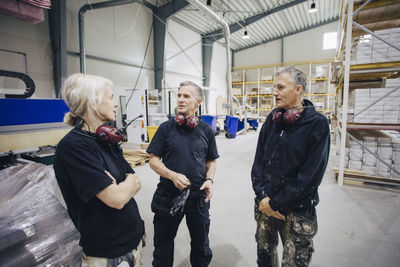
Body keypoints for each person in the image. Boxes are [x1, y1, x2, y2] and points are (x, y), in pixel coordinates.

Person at [53, 73, 145, 267]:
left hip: (131, 242)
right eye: (110, 97)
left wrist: (123, 186)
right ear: (93, 101)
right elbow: (117, 199)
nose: (116, 104)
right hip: (107, 253)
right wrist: (123, 188)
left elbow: (135, 180)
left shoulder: (105, 140)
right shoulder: (74, 147)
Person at [251, 66, 330, 267]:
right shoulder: (272, 119)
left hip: (296, 211)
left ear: (298, 89)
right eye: (274, 87)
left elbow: (309, 178)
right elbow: (258, 162)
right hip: (265, 205)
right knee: (264, 257)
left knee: (294, 262)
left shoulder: (317, 125)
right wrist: (263, 197)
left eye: (280, 87)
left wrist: (275, 203)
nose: (274, 92)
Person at [146, 81, 219, 267]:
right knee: (162, 248)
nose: (180, 99)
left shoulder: (206, 131)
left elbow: (211, 161)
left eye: (186, 96)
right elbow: (153, 160)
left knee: (201, 247)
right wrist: (171, 175)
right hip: (168, 196)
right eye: (179, 95)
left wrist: (209, 180)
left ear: (198, 102)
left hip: (197, 198)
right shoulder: (165, 128)